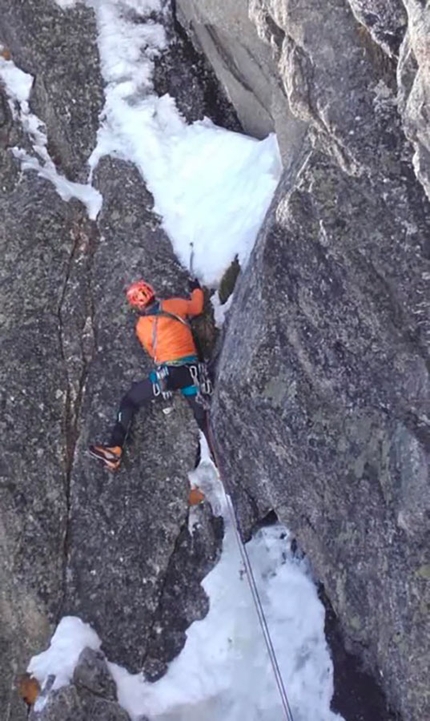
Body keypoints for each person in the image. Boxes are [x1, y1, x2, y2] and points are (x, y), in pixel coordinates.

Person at [89, 278, 209, 471]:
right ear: (152, 292)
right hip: (192, 374)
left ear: (135, 305)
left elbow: (153, 353)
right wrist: (195, 289)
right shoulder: (174, 305)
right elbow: (196, 307)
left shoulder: (142, 327)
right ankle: (220, 464)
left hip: (168, 377)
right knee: (203, 418)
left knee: (130, 400)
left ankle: (115, 448)